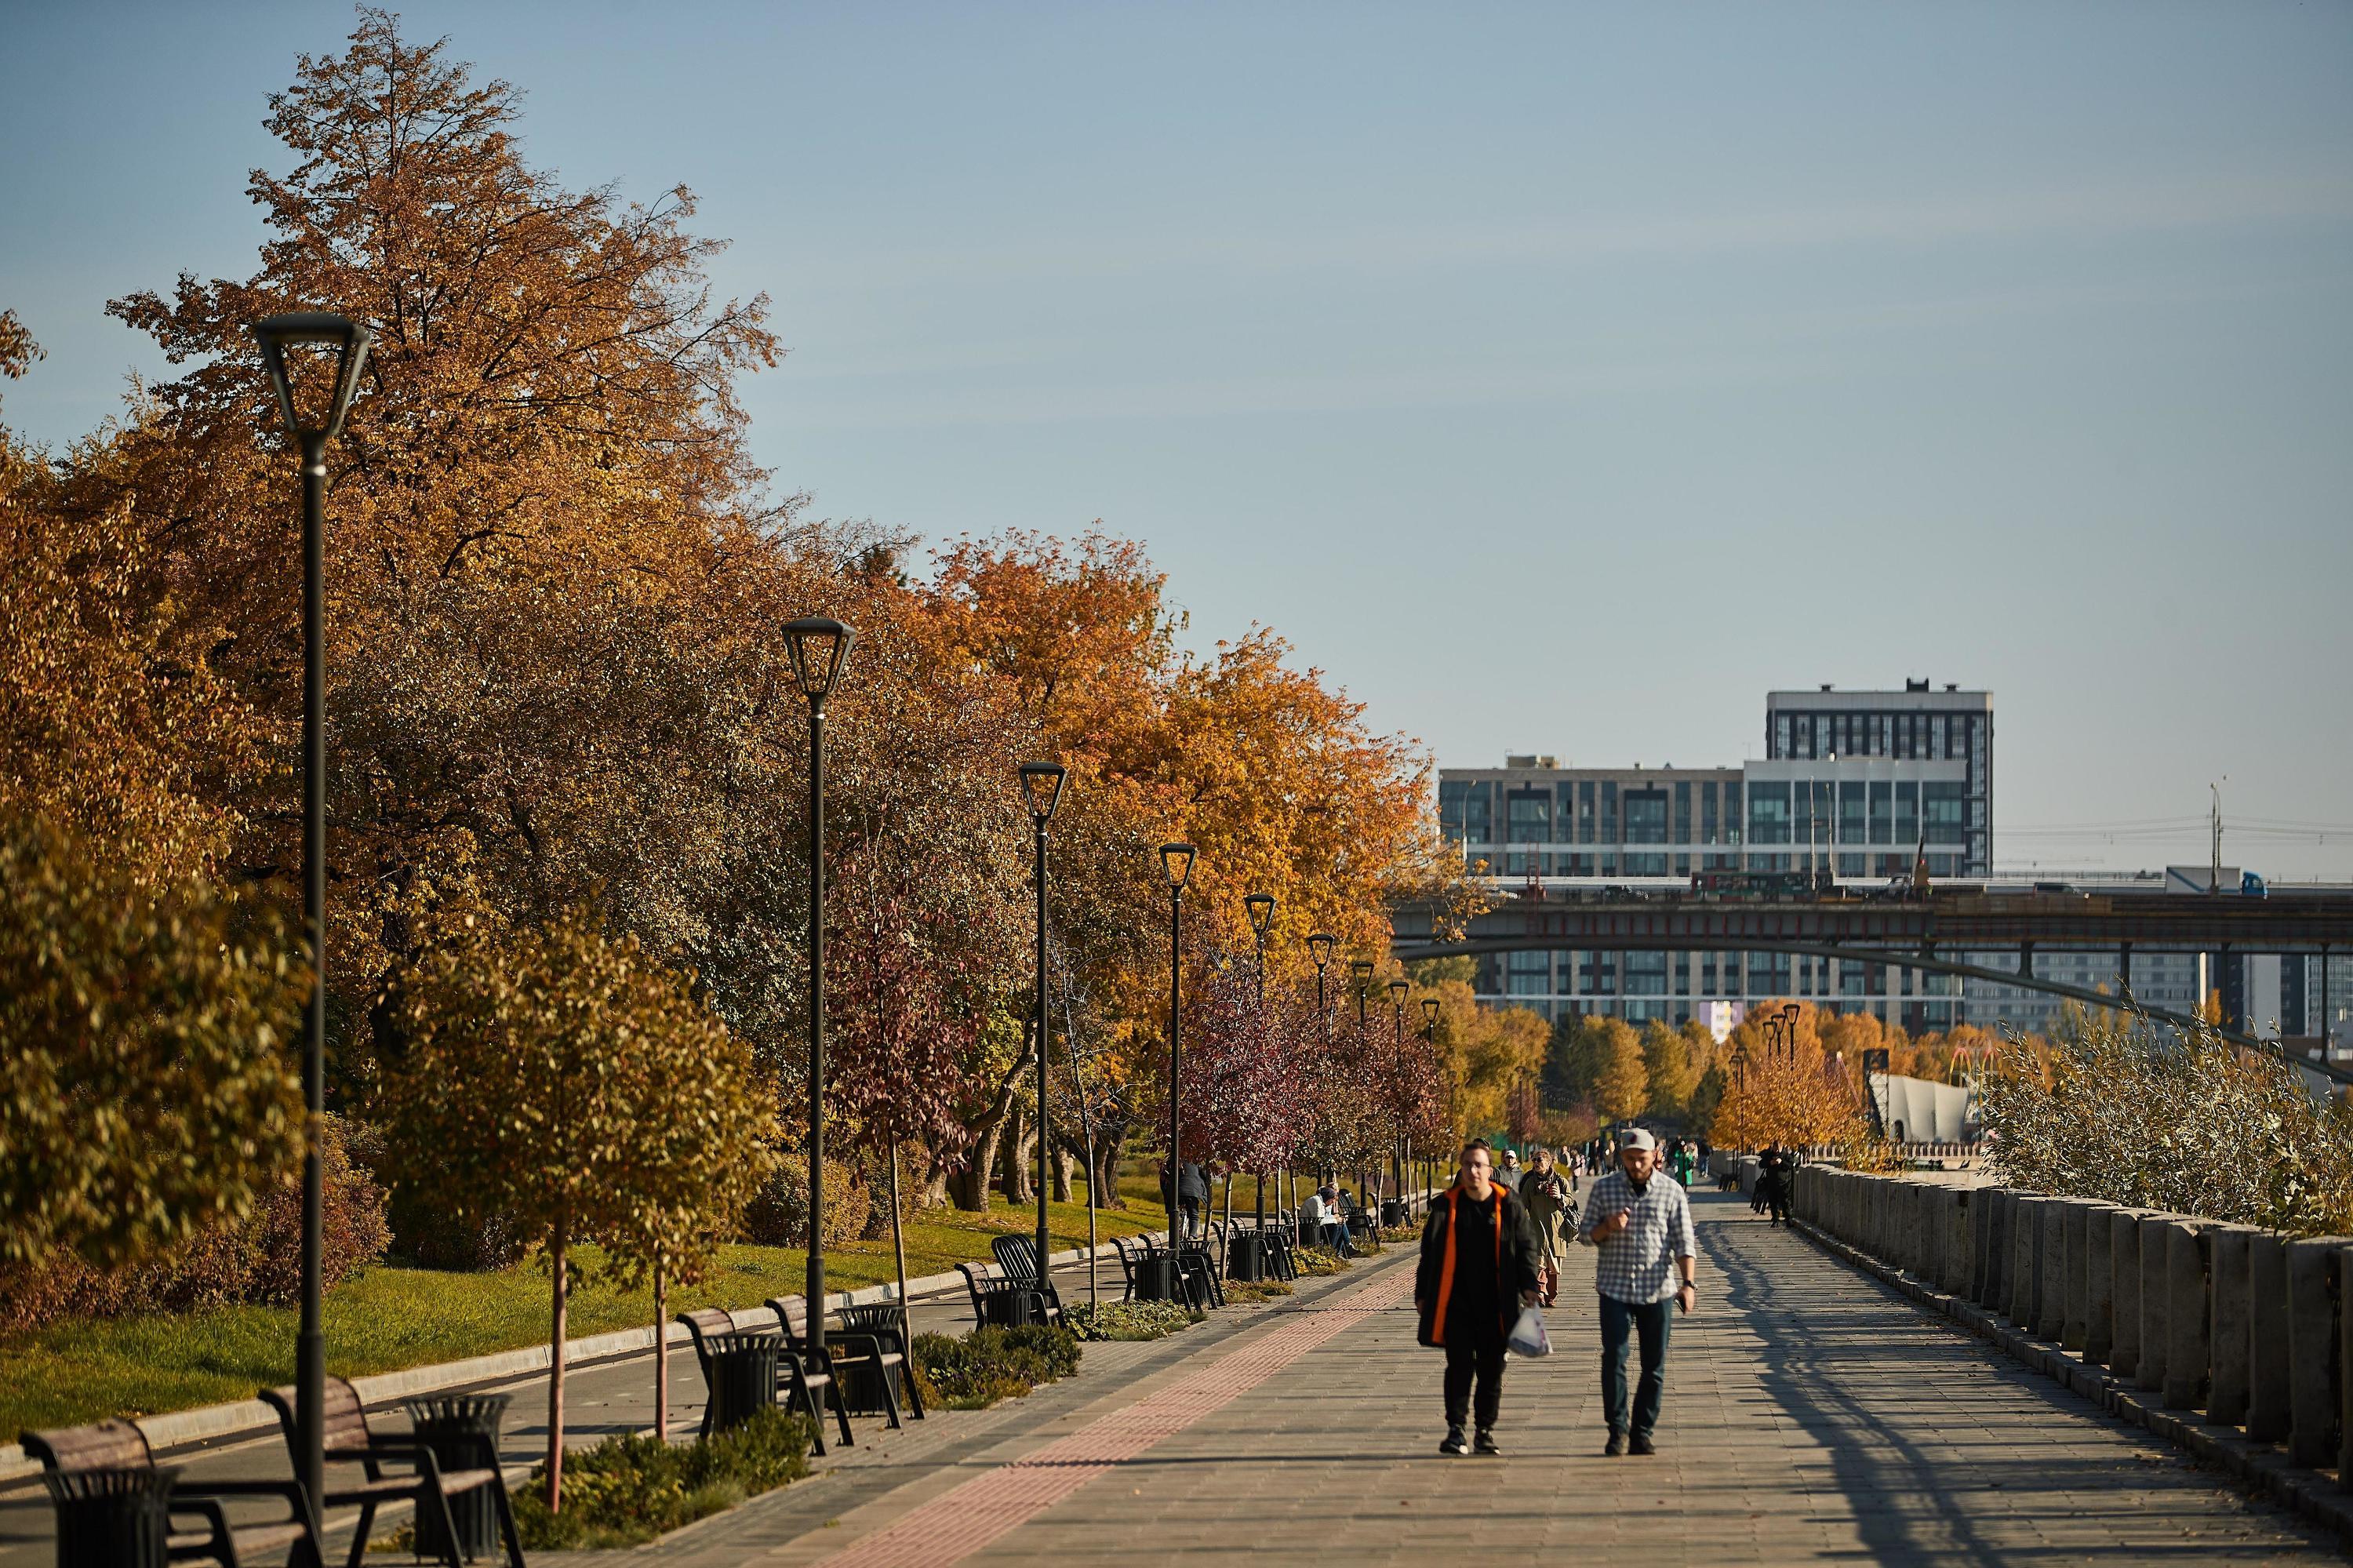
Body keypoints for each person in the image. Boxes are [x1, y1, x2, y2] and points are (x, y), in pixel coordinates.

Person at [1415, 1140, 1541, 1457]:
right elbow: (1428, 1252)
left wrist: (1529, 1286)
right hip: (1456, 1302)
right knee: (1458, 1366)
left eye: (1479, 1165)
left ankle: (1485, 1431)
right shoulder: (1447, 1205)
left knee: (1491, 1369)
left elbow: (1527, 1246)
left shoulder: (1507, 1203)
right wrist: (1422, 1293)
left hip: (1497, 1304)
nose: (1473, 1170)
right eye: (1468, 1164)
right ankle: (1456, 1429)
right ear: (1462, 1167)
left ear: (1490, 1170)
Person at [1577, 1127, 1697, 1457]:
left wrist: (1688, 1284)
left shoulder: (1671, 1192)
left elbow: (1684, 1242)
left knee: (1654, 1365)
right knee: (1614, 1358)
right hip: (1614, 1289)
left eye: (1640, 1159)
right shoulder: (1605, 1190)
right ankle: (1617, 1430)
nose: (1634, 1164)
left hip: (1657, 1290)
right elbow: (1585, 1235)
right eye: (1629, 1159)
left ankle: (1642, 1431)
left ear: (1654, 1158)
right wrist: (1607, 1227)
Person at [1518, 1147, 1574, 1306]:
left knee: (1553, 1266)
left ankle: (1551, 1296)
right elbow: (1522, 1204)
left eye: (1539, 1160)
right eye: (1534, 1160)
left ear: (1549, 1163)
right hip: (1536, 1228)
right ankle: (1541, 1293)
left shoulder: (1560, 1181)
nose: (1535, 1163)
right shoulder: (1530, 1183)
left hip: (1557, 1230)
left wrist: (1560, 1197)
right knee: (1539, 1263)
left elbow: (1571, 1201)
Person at [1178, 1159, 1209, 1239]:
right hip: (1192, 1191)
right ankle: (1192, 1234)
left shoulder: (1176, 1159)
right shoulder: (1197, 1161)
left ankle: (1178, 1221)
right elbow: (1206, 1176)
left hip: (1178, 1191)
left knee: (1175, 1210)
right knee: (1194, 1215)